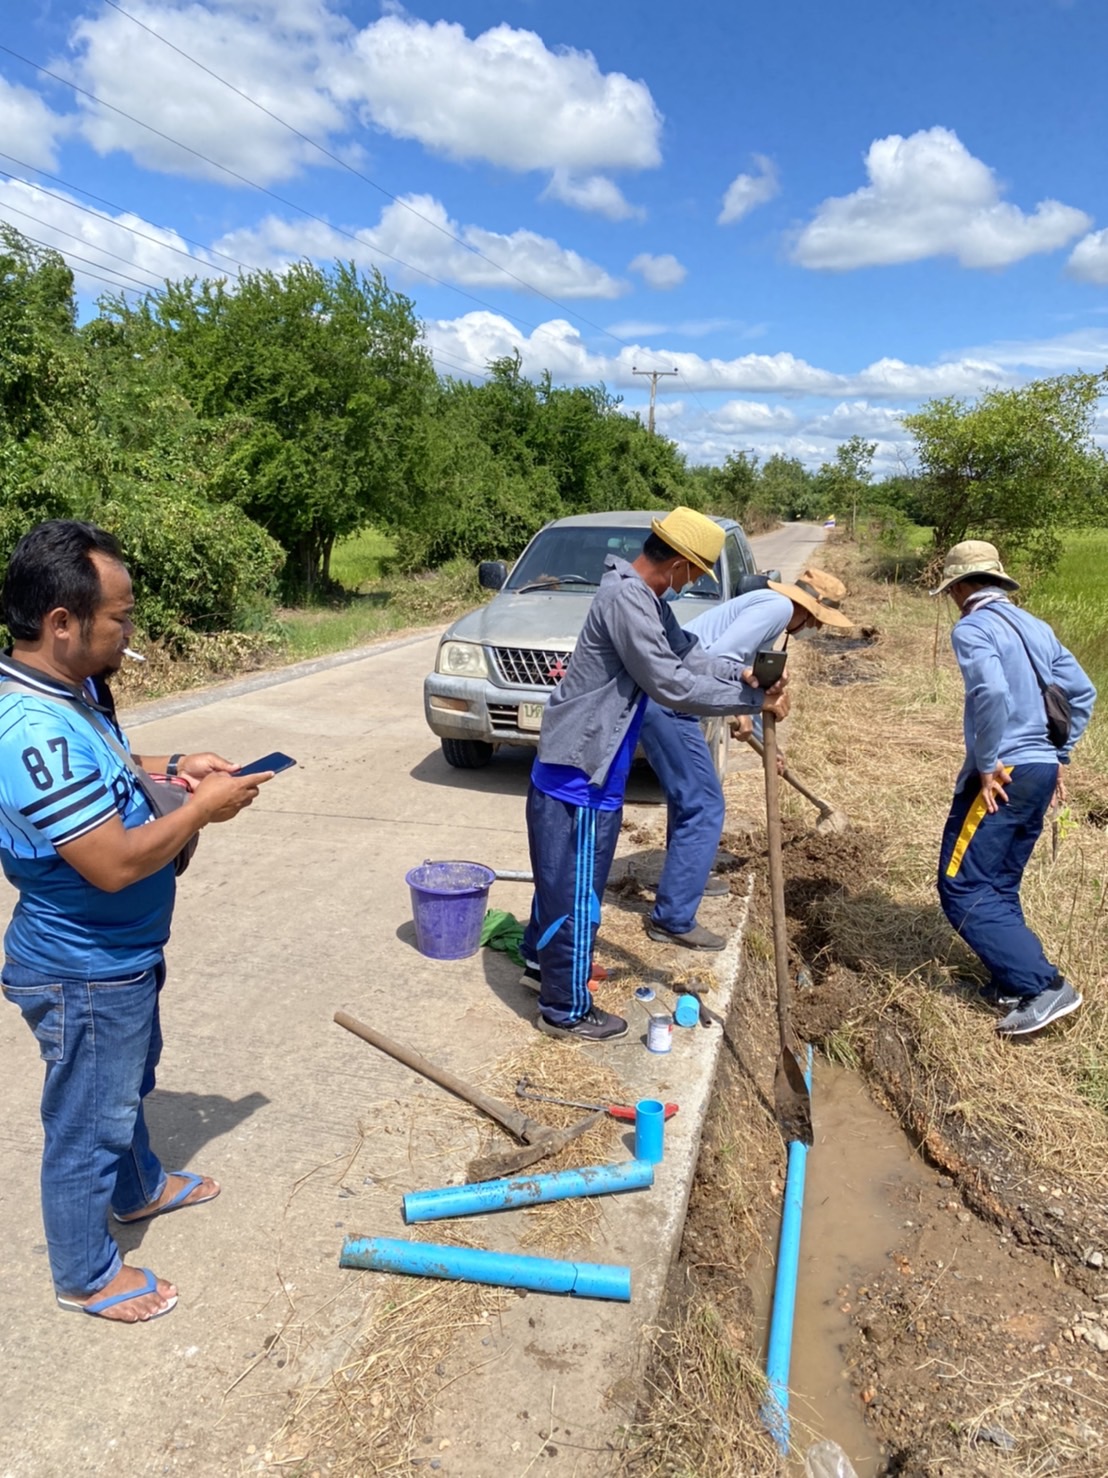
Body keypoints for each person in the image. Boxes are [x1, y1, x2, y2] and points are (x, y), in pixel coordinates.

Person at [0, 520, 271, 1322]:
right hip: (82, 963)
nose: (129, 633)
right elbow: (113, 861)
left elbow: (106, 768)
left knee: (127, 1083)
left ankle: (141, 1187)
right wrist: (202, 813)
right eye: (118, 618)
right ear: (62, 623)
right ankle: (86, 1274)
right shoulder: (30, 731)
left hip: (120, 951)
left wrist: (175, 768)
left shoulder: (69, 693)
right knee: (89, 1120)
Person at [520, 508, 789, 1042]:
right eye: (696, 574)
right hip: (580, 776)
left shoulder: (643, 598)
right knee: (577, 896)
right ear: (682, 564)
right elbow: (670, 683)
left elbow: (687, 655)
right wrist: (753, 698)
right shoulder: (626, 599)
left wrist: (738, 673)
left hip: (587, 767)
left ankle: (538, 963)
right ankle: (565, 1009)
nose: (693, 584)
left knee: (563, 886)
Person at [933, 540, 1096, 1036]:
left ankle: (1042, 986)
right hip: (1041, 769)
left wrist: (987, 764)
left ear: (960, 587)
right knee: (999, 881)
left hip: (1003, 773)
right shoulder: (1036, 626)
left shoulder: (973, 627)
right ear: (999, 581)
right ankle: (1010, 978)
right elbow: (1082, 692)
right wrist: (1058, 755)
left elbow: (992, 691)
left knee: (960, 884)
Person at [641, 568, 853, 949]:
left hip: (675, 701)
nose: (815, 631)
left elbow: (747, 678)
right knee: (704, 804)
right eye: (818, 622)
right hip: (670, 704)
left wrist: (768, 745)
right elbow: (718, 658)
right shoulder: (775, 608)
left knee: (690, 796)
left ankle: (689, 876)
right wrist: (738, 709)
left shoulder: (770, 611)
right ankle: (672, 918)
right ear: (806, 610)